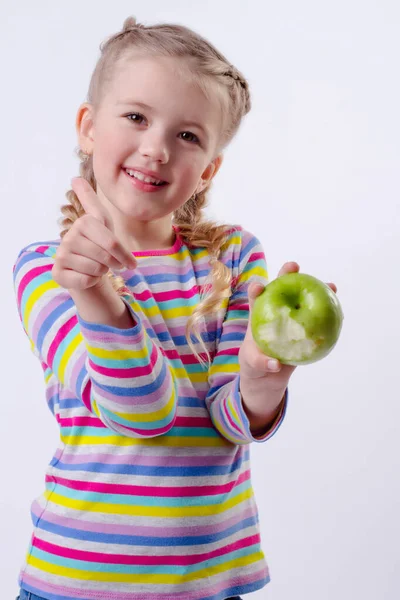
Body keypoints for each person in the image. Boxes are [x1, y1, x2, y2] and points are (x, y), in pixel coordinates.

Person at [12, 16, 337, 600]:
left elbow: (232, 418)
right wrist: (96, 295)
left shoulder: (233, 257)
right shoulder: (47, 269)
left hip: (209, 582)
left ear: (208, 169)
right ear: (88, 127)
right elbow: (143, 414)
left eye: (188, 136)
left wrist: (264, 374)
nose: (156, 149)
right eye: (135, 117)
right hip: (78, 581)